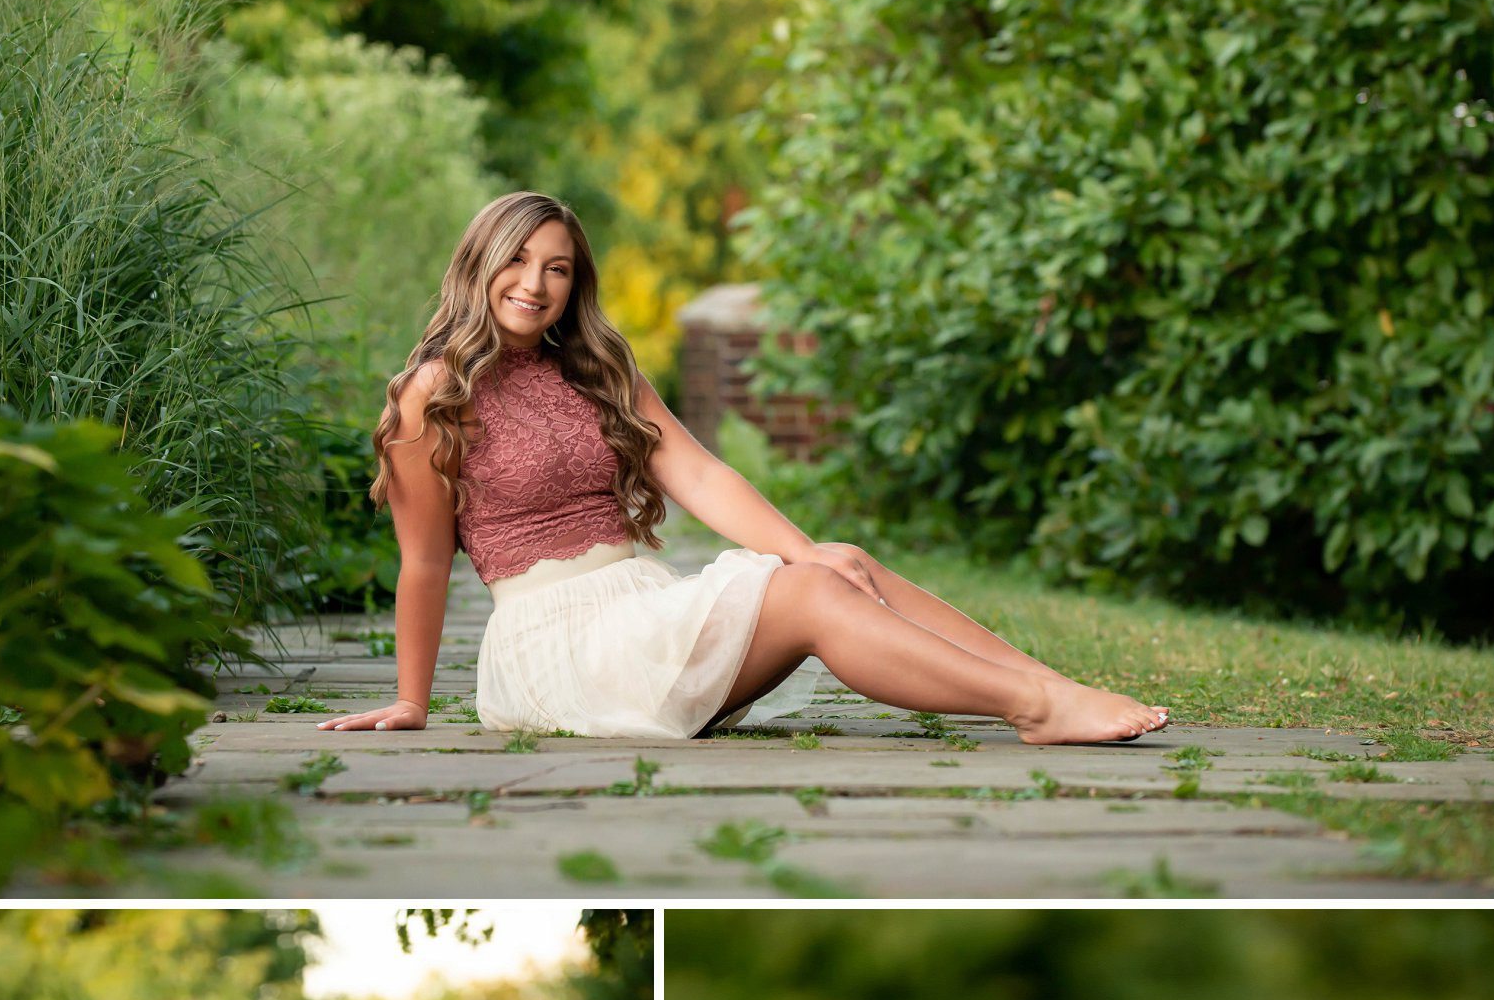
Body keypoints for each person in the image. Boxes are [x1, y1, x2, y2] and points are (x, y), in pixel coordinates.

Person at [343, 190, 1169, 751]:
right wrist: (413, 702)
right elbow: (423, 561)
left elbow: (700, 477)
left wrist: (807, 548)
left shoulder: (597, 368)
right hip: (553, 648)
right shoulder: (431, 397)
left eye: (557, 267)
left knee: (838, 561)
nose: (535, 284)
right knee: (811, 589)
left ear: (575, 281)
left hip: (643, 609)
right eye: (517, 260)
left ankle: (1048, 687)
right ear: (478, 262)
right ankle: (1036, 708)